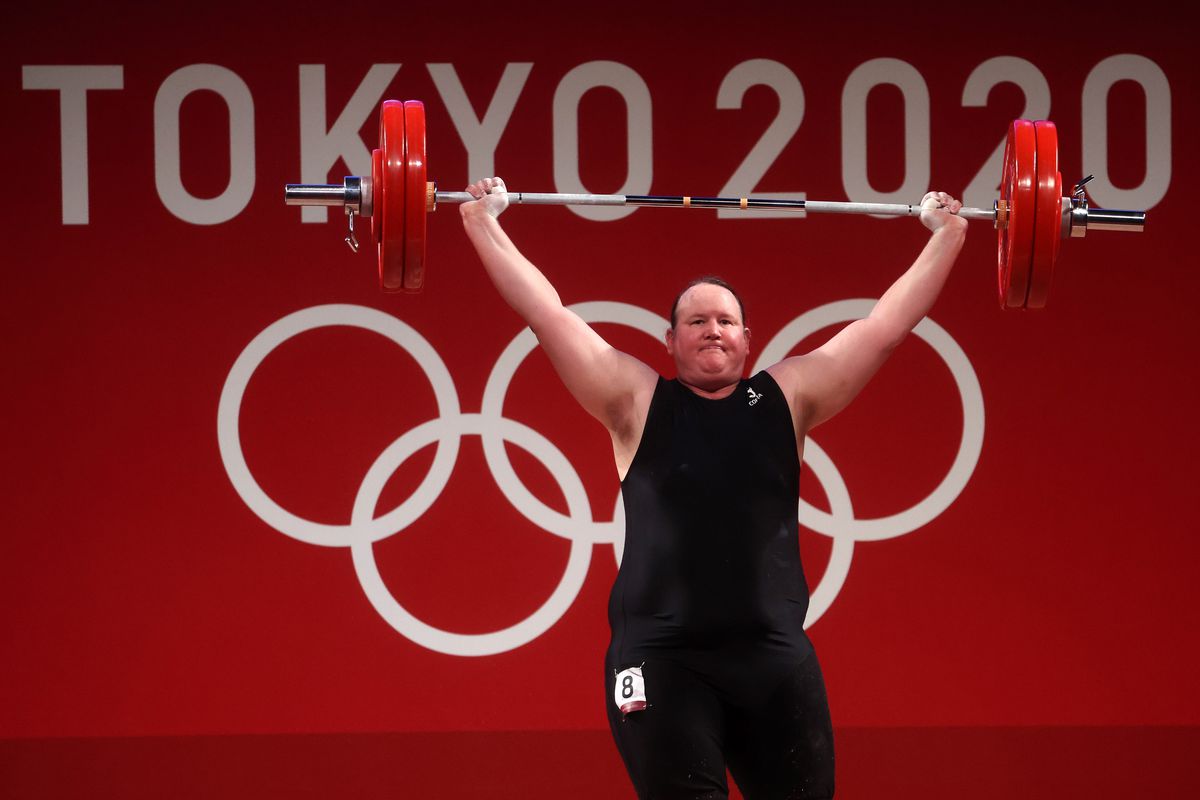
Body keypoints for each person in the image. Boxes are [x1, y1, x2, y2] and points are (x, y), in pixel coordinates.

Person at [460, 176, 967, 799]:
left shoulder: (790, 396)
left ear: (748, 340)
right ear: (670, 342)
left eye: (726, 320)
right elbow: (547, 314)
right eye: (696, 321)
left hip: (773, 658)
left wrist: (949, 235)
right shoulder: (635, 400)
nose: (713, 331)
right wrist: (484, 224)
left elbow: (885, 327)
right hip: (662, 660)